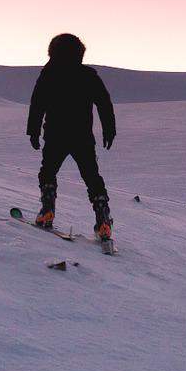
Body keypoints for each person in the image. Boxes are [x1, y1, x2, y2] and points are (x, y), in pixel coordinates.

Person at [26, 33, 116, 241]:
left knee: (48, 172)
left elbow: (37, 103)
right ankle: (103, 219)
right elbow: (104, 102)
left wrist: (33, 130)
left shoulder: (49, 74)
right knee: (92, 177)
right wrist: (109, 128)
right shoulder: (88, 75)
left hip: (55, 134)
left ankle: (47, 209)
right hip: (82, 136)